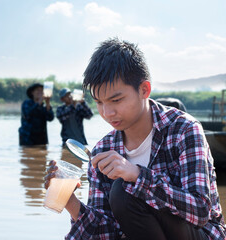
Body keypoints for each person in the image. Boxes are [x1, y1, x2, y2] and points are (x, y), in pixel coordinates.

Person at [44, 38, 226, 239]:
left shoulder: (184, 129)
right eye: (99, 102)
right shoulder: (102, 150)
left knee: (123, 191)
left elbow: (200, 211)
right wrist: (71, 203)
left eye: (116, 100)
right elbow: (109, 232)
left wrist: (137, 175)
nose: (107, 112)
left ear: (144, 90)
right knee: (122, 196)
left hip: (197, 234)